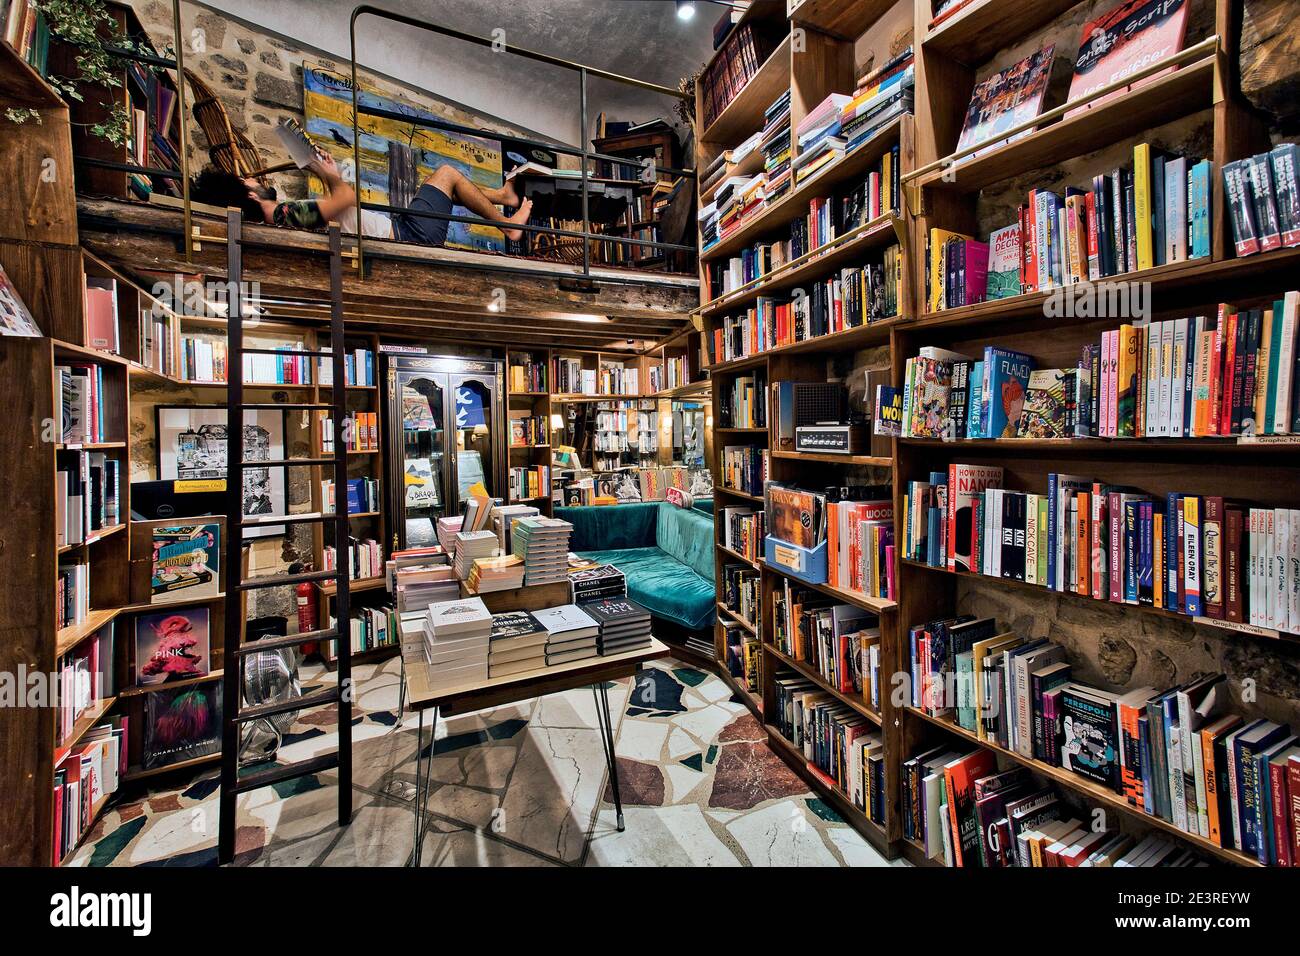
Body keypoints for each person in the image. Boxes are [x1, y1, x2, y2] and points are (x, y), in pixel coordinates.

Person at [191, 150, 533, 246]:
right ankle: (508, 227)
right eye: (249, 180)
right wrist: (330, 176)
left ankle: (503, 196)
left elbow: (340, 213)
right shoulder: (282, 215)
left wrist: (323, 174)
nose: (256, 178)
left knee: (440, 182)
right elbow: (346, 198)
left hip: (400, 229)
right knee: (446, 174)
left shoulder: (283, 216)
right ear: (249, 193)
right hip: (408, 237)